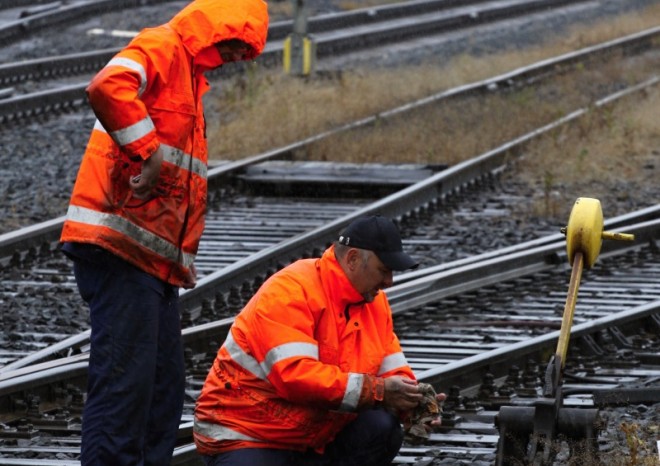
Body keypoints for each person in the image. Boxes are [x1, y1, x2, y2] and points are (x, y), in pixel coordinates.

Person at [58, 0, 269, 464]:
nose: (236, 57)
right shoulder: (161, 47)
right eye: (236, 45)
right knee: (125, 388)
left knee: (161, 390)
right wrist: (147, 150)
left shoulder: (190, 76)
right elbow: (107, 86)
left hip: (153, 260)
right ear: (217, 30)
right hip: (118, 247)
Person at [194, 215, 446, 466]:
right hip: (249, 433)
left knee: (383, 428)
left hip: (311, 436)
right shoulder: (290, 291)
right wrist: (378, 391)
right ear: (353, 259)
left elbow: (390, 367)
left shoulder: (374, 302)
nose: (389, 281)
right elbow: (295, 377)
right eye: (384, 270)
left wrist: (411, 403)